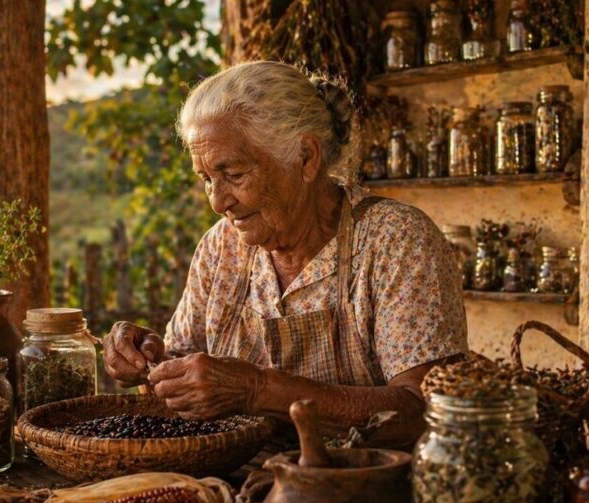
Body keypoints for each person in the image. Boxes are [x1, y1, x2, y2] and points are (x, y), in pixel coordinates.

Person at [104, 61, 467, 448]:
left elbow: (426, 412)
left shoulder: (394, 240)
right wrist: (148, 360)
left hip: (362, 493)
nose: (217, 201)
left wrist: (259, 389)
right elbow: (183, 369)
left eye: (234, 174)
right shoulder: (220, 247)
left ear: (306, 157)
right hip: (237, 482)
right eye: (206, 179)